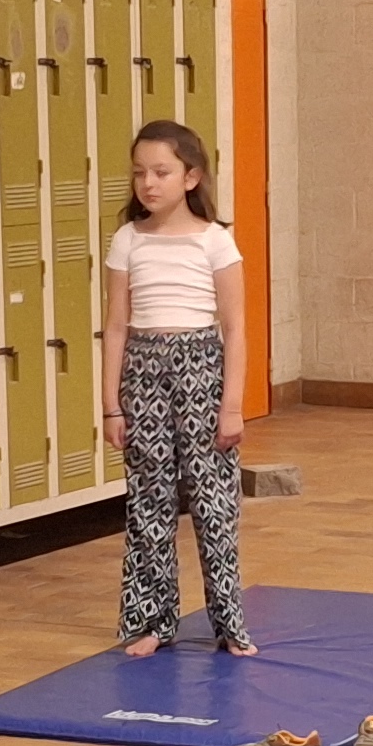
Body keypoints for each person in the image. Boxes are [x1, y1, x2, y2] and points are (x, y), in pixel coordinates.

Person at [101, 117, 254, 658]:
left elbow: (235, 328)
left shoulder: (215, 241)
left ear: (191, 177)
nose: (149, 182)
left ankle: (228, 623)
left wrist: (231, 406)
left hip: (201, 369)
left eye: (161, 172)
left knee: (214, 504)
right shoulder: (128, 239)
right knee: (149, 501)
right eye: (139, 172)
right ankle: (152, 620)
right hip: (143, 371)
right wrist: (111, 405)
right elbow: (115, 326)